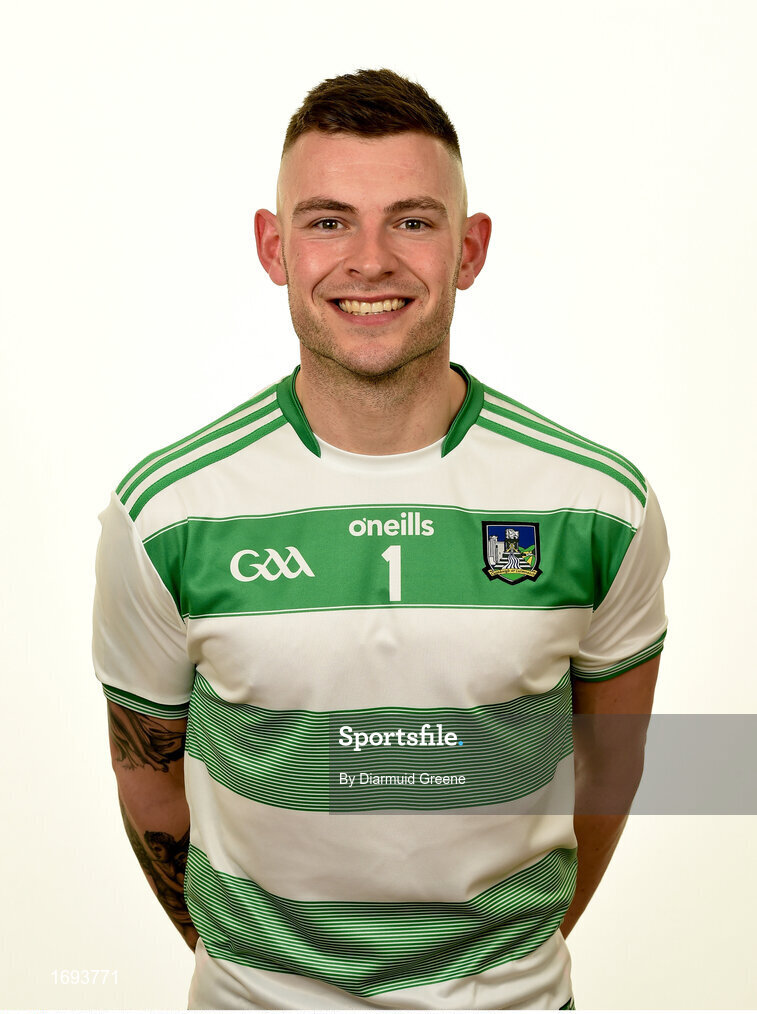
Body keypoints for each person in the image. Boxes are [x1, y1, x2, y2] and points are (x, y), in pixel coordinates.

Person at [93, 68, 669, 1010]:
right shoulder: (165, 512)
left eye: (411, 219)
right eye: (327, 221)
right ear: (272, 247)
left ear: (469, 249)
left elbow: (616, 762)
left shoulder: (597, 504)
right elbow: (144, 776)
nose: (369, 259)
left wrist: (511, 965)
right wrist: (256, 971)